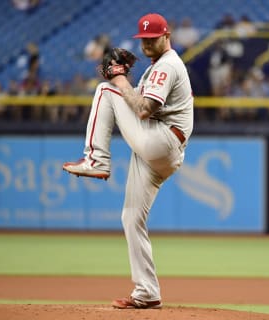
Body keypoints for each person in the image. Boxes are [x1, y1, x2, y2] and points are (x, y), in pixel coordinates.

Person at [62, 13, 193, 309]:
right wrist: (128, 82)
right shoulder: (155, 68)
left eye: (153, 38)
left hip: (161, 139)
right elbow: (138, 106)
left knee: (105, 89)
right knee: (131, 218)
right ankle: (147, 291)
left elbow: (144, 109)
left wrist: (119, 79)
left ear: (166, 35)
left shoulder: (168, 65)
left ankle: (97, 159)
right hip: (161, 150)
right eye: (143, 39)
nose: (147, 43)